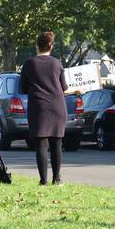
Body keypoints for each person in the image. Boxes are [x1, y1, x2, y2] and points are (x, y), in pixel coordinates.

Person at [20, 31, 68, 186]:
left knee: (41, 144)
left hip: (39, 107)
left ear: (37, 46)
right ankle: (57, 179)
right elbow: (64, 87)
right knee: (56, 143)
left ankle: (43, 181)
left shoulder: (29, 64)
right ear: (51, 46)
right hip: (58, 106)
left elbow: (23, 89)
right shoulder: (57, 63)